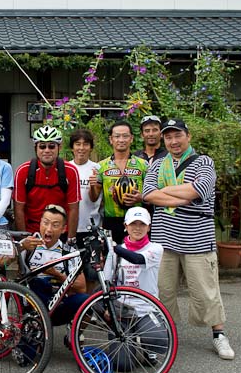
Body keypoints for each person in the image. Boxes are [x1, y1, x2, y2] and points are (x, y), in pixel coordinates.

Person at [142, 119, 234, 360]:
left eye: (177, 135)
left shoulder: (204, 162)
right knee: (163, 290)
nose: (173, 141)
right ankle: (163, 334)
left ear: (188, 136)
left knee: (206, 292)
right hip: (163, 240)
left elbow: (199, 189)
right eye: (168, 137)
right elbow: (148, 194)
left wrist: (167, 192)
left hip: (198, 240)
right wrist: (182, 196)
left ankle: (219, 335)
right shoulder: (158, 164)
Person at [101, 207, 168, 370]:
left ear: (149, 227)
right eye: (133, 224)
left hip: (146, 309)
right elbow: (107, 281)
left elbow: (137, 259)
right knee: (123, 366)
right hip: (123, 310)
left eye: (142, 224)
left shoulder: (155, 249)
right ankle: (127, 342)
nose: (137, 228)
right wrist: (108, 308)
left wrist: (113, 247)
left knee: (159, 341)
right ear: (125, 226)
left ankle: (147, 347)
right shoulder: (115, 252)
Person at [19, 204, 89, 327]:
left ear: (63, 229)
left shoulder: (69, 252)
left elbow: (81, 287)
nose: (49, 229)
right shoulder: (29, 244)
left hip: (58, 302)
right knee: (36, 283)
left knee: (86, 301)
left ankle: (75, 338)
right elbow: (0, 263)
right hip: (33, 302)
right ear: (40, 223)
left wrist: (56, 274)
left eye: (55, 225)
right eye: (45, 223)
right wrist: (20, 247)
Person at [14, 125, 80, 239]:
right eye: (42, 146)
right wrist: (24, 239)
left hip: (59, 232)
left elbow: (73, 209)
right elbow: (18, 209)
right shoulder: (23, 171)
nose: (47, 150)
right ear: (36, 148)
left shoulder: (70, 171)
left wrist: (71, 239)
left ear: (59, 147)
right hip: (32, 232)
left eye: (51, 146)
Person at [89, 121, 148, 245]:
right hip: (111, 221)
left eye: (125, 136)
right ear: (111, 139)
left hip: (137, 220)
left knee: (136, 258)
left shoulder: (143, 165)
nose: (121, 140)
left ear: (131, 138)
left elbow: (152, 193)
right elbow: (94, 198)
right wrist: (92, 185)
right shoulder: (101, 166)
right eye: (117, 136)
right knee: (111, 259)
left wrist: (140, 197)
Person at [68, 129, 102, 288]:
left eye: (85, 144)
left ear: (91, 147)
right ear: (72, 147)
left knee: (91, 274)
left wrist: (94, 186)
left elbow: (95, 198)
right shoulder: (66, 168)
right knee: (71, 275)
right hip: (69, 230)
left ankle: (87, 311)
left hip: (91, 228)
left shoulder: (97, 168)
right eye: (77, 144)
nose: (81, 148)